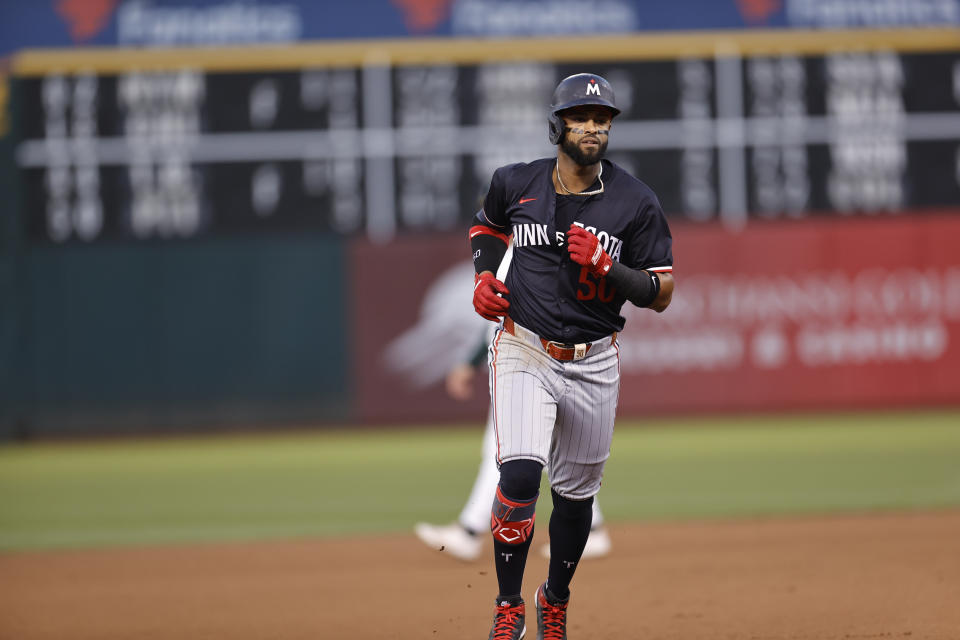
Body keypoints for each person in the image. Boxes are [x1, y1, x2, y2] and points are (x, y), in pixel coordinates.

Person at [469, 73, 674, 640]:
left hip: (595, 358)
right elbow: (487, 225)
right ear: (556, 124)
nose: (592, 127)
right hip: (524, 345)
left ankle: (553, 597)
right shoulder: (515, 183)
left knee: (576, 500)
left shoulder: (636, 202)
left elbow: (661, 292)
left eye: (602, 119)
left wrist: (612, 268)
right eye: (581, 116)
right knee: (518, 474)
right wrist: (485, 275)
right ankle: (509, 605)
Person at [413, 270, 612, 561]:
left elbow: (503, 318)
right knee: (521, 452)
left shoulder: (528, 252)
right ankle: (591, 530)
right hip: (530, 361)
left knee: (519, 451)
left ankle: (469, 532)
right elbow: (497, 320)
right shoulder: (519, 253)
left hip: (537, 364)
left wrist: (469, 363)